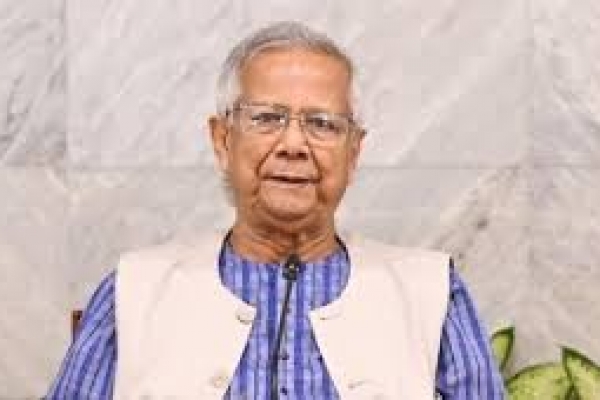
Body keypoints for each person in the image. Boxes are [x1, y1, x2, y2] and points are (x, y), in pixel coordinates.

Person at [46, 21, 505, 399]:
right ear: (222, 140)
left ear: (353, 152)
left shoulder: (430, 290)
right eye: (266, 118)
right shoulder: (136, 288)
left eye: (322, 123)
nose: (294, 144)